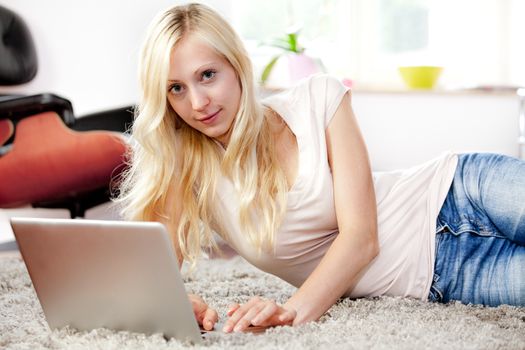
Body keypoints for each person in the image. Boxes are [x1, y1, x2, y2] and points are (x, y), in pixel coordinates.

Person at [117, 3, 525, 334]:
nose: (198, 102)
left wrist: (290, 312)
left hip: (461, 190)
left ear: (237, 66)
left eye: (208, 75)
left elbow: (362, 238)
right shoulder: (183, 168)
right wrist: (176, 306)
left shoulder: (318, 98)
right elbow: (152, 281)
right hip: (451, 276)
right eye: (177, 88)